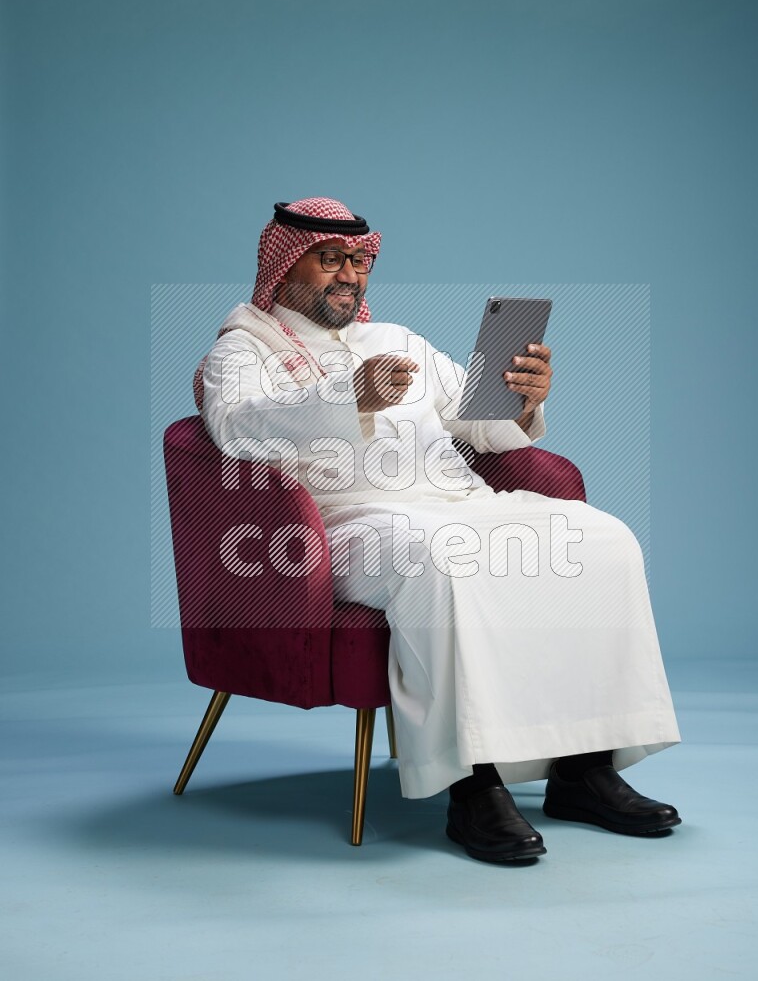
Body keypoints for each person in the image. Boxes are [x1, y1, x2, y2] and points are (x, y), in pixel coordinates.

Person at [195, 197, 682, 864]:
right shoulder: (242, 350)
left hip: (461, 498)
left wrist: (524, 397)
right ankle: (472, 786)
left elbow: (477, 423)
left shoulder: (396, 338)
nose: (349, 277)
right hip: (346, 522)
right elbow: (236, 429)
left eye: (358, 262)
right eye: (329, 259)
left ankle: (585, 769)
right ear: (283, 268)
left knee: (601, 540)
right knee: (443, 560)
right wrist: (349, 398)